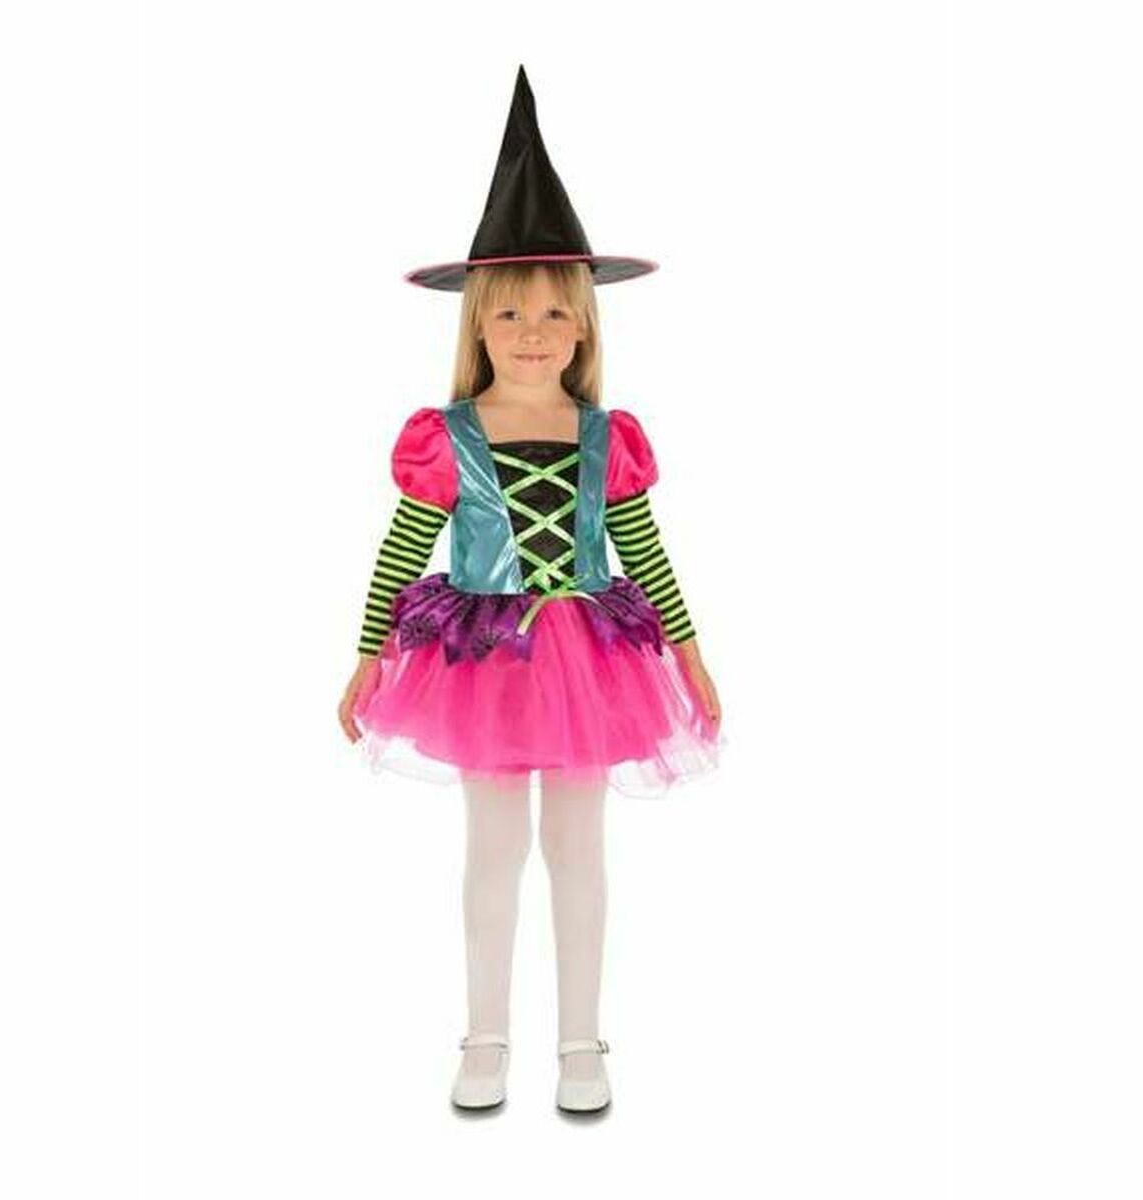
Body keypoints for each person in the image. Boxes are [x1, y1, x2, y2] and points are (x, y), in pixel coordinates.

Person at [337, 67, 725, 1115]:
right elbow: (402, 551)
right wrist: (369, 655)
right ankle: (486, 1036)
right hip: (484, 664)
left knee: (579, 850)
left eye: (556, 310)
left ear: (586, 325)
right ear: (476, 324)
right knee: (495, 848)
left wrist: (692, 657)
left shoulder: (607, 435)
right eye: (509, 312)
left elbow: (644, 551)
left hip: (592, 661)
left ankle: (582, 1043)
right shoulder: (446, 437)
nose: (533, 331)